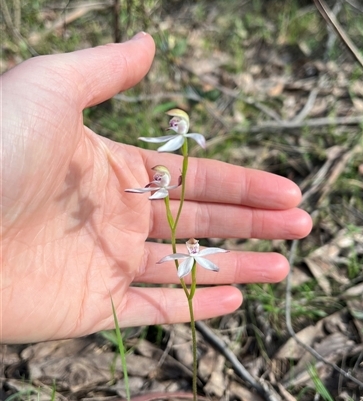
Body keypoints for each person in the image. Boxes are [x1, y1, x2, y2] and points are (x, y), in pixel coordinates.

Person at [0, 32, 312, 344]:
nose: (174, 127)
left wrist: (170, 191)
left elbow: (196, 250)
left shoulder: (188, 146)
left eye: (178, 124)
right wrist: (162, 184)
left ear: (185, 127)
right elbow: (158, 192)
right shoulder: (159, 176)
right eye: (173, 124)